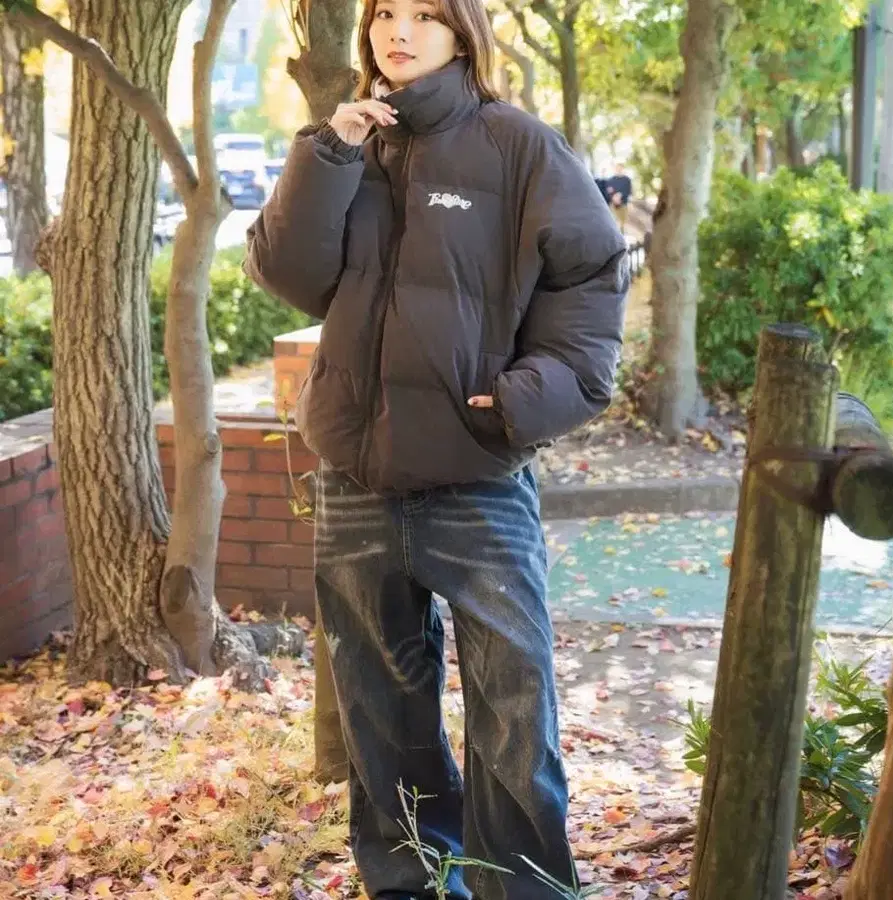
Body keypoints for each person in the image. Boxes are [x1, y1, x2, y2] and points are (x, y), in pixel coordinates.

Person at [244, 0, 628, 895]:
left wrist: (528, 396)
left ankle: (521, 888)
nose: (398, 31)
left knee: (514, 710)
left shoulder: (518, 146)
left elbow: (592, 275)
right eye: (385, 12)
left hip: (476, 476)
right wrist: (328, 154)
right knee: (381, 713)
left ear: (462, 32)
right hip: (355, 481)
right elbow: (288, 274)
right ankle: (410, 882)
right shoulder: (349, 146)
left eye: (425, 14)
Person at [605, 163, 632, 233]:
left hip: (623, 204)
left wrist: (621, 195)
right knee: (613, 223)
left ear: (623, 169)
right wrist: (613, 198)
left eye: (620, 168)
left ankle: (622, 236)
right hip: (613, 205)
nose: (619, 169)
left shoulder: (627, 180)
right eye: (617, 168)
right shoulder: (610, 180)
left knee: (622, 224)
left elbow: (629, 192)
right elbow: (608, 192)